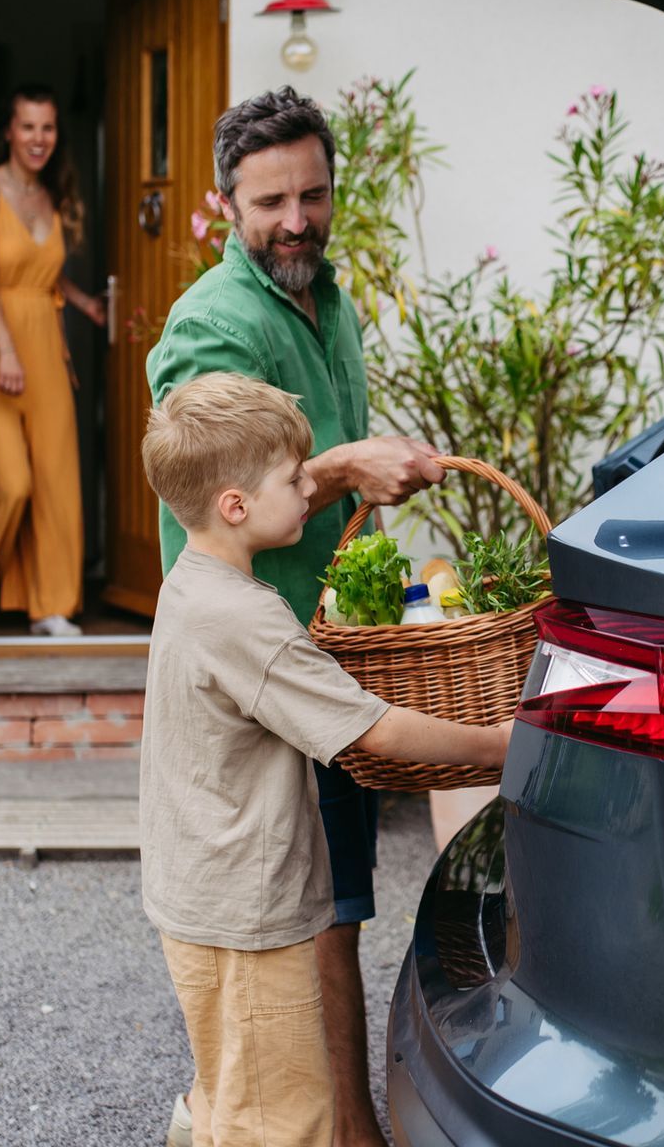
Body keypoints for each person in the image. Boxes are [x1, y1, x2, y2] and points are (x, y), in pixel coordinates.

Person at [146, 86, 447, 1147]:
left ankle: (306, 1121)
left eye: (313, 193)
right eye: (271, 200)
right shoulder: (213, 322)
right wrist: (341, 463)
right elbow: (208, 480)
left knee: (341, 903)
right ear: (228, 202)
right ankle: (330, 1132)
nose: (296, 220)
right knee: (308, 915)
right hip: (258, 675)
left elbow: (319, 487)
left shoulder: (331, 296)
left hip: (318, 654)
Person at [139, 370, 511, 1147]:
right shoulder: (246, 619)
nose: (310, 484)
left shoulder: (192, 587)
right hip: (248, 912)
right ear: (235, 505)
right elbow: (370, 731)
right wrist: (503, 747)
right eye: (292, 476)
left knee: (231, 1091)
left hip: (197, 898)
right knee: (284, 1122)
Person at [0, 84, 106, 636]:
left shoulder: (51, 193)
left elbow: (43, 269)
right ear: (8, 130)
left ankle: (50, 605)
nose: (39, 138)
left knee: (55, 478)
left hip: (46, 342)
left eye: (47, 128)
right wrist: (4, 349)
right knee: (8, 481)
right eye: (28, 127)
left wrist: (85, 301)